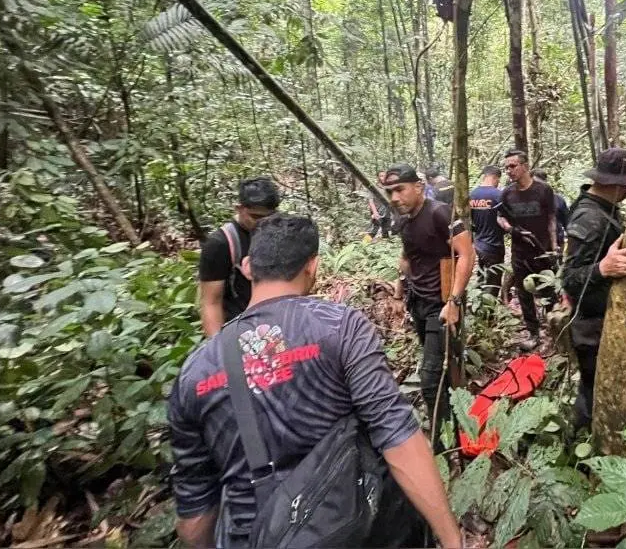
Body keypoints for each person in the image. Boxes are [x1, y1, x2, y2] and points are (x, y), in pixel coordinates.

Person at [168, 214, 462, 549]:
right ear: (313, 267)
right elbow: (396, 437)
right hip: (356, 527)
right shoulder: (340, 327)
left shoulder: (195, 371)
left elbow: (194, 513)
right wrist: (452, 539)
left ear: (248, 267)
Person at [560, 148, 626, 430]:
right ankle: (580, 444)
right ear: (620, 186)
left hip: (605, 314)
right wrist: (603, 268)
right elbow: (569, 277)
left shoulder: (602, 208)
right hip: (591, 321)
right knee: (592, 388)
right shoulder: (590, 218)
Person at [385, 164, 476, 438]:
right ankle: (452, 420)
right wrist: (399, 293)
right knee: (439, 371)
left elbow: (467, 255)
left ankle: (442, 444)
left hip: (443, 304)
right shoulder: (402, 218)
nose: (394, 198)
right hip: (419, 302)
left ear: (418, 187)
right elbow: (406, 256)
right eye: (390, 192)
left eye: (400, 190)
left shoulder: (439, 212)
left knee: (429, 379)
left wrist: (454, 301)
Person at [198, 177, 280, 338]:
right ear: (239, 208)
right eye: (255, 217)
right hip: (238, 330)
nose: (262, 223)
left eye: (268, 217)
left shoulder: (277, 232)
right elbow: (210, 303)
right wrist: (218, 349)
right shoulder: (219, 244)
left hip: (273, 326)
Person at [498, 150, 558, 352]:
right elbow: (500, 217)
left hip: (542, 250)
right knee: (523, 293)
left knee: (548, 291)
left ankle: (553, 333)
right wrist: (510, 229)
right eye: (506, 167)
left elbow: (551, 219)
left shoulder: (543, 190)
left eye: (513, 166)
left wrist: (554, 246)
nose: (509, 171)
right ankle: (533, 333)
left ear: (525, 166)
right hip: (519, 251)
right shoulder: (507, 193)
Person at [469, 165, 506, 296]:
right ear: (495, 178)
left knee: (481, 275)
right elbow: (505, 219)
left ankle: (477, 304)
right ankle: (488, 312)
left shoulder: (472, 195)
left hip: (478, 244)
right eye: (498, 180)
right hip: (494, 244)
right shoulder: (499, 195)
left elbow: (470, 221)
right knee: (493, 281)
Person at [532, 168, 570, 250]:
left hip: (556, 242)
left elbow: (567, 222)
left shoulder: (558, 199)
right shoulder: (526, 200)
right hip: (534, 243)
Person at [367, 171, 393, 240]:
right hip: (377, 211)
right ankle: (363, 245)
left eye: (385, 176)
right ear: (378, 177)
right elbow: (370, 200)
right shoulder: (374, 187)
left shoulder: (388, 187)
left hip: (387, 212)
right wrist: (375, 212)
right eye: (381, 176)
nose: (383, 177)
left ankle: (385, 247)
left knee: (386, 231)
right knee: (373, 231)